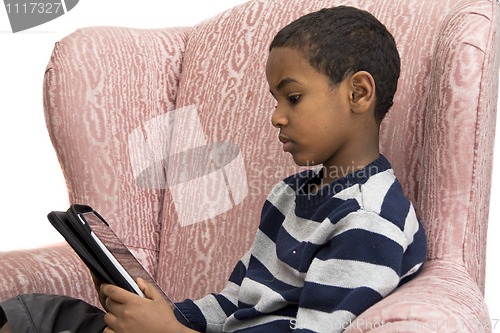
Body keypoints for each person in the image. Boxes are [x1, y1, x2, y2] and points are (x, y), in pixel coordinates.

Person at [0, 5, 426, 333]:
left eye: (292, 97)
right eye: (275, 100)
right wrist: (160, 313)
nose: (277, 117)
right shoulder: (289, 195)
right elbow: (234, 301)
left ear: (359, 92)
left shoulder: (368, 222)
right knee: (39, 312)